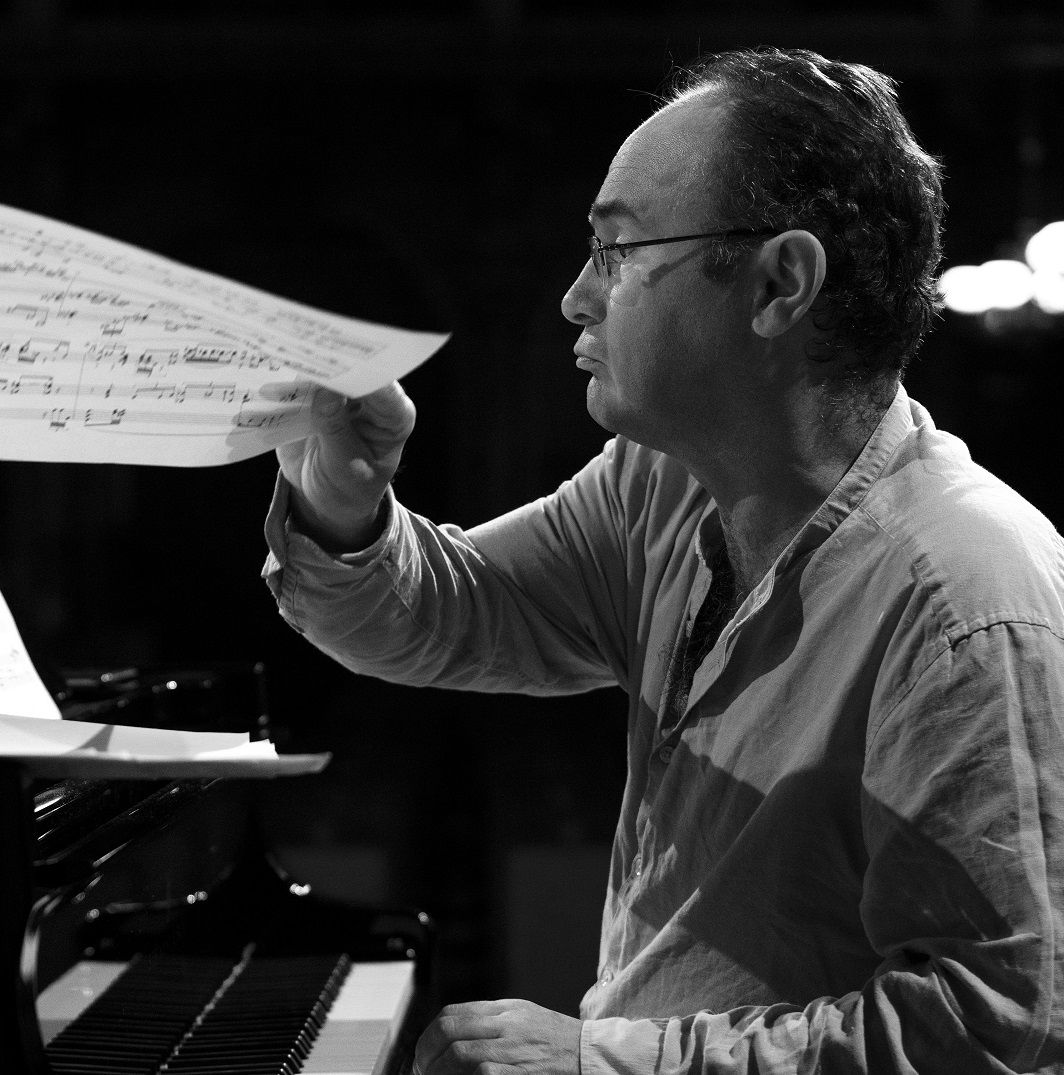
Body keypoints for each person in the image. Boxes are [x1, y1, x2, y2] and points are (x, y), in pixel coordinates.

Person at [264, 48, 1064, 1074]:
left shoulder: (969, 599)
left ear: (781, 283)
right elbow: (441, 617)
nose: (574, 297)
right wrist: (343, 499)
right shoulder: (660, 483)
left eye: (618, 250)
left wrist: (609, 1061)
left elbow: (1001, 1031)